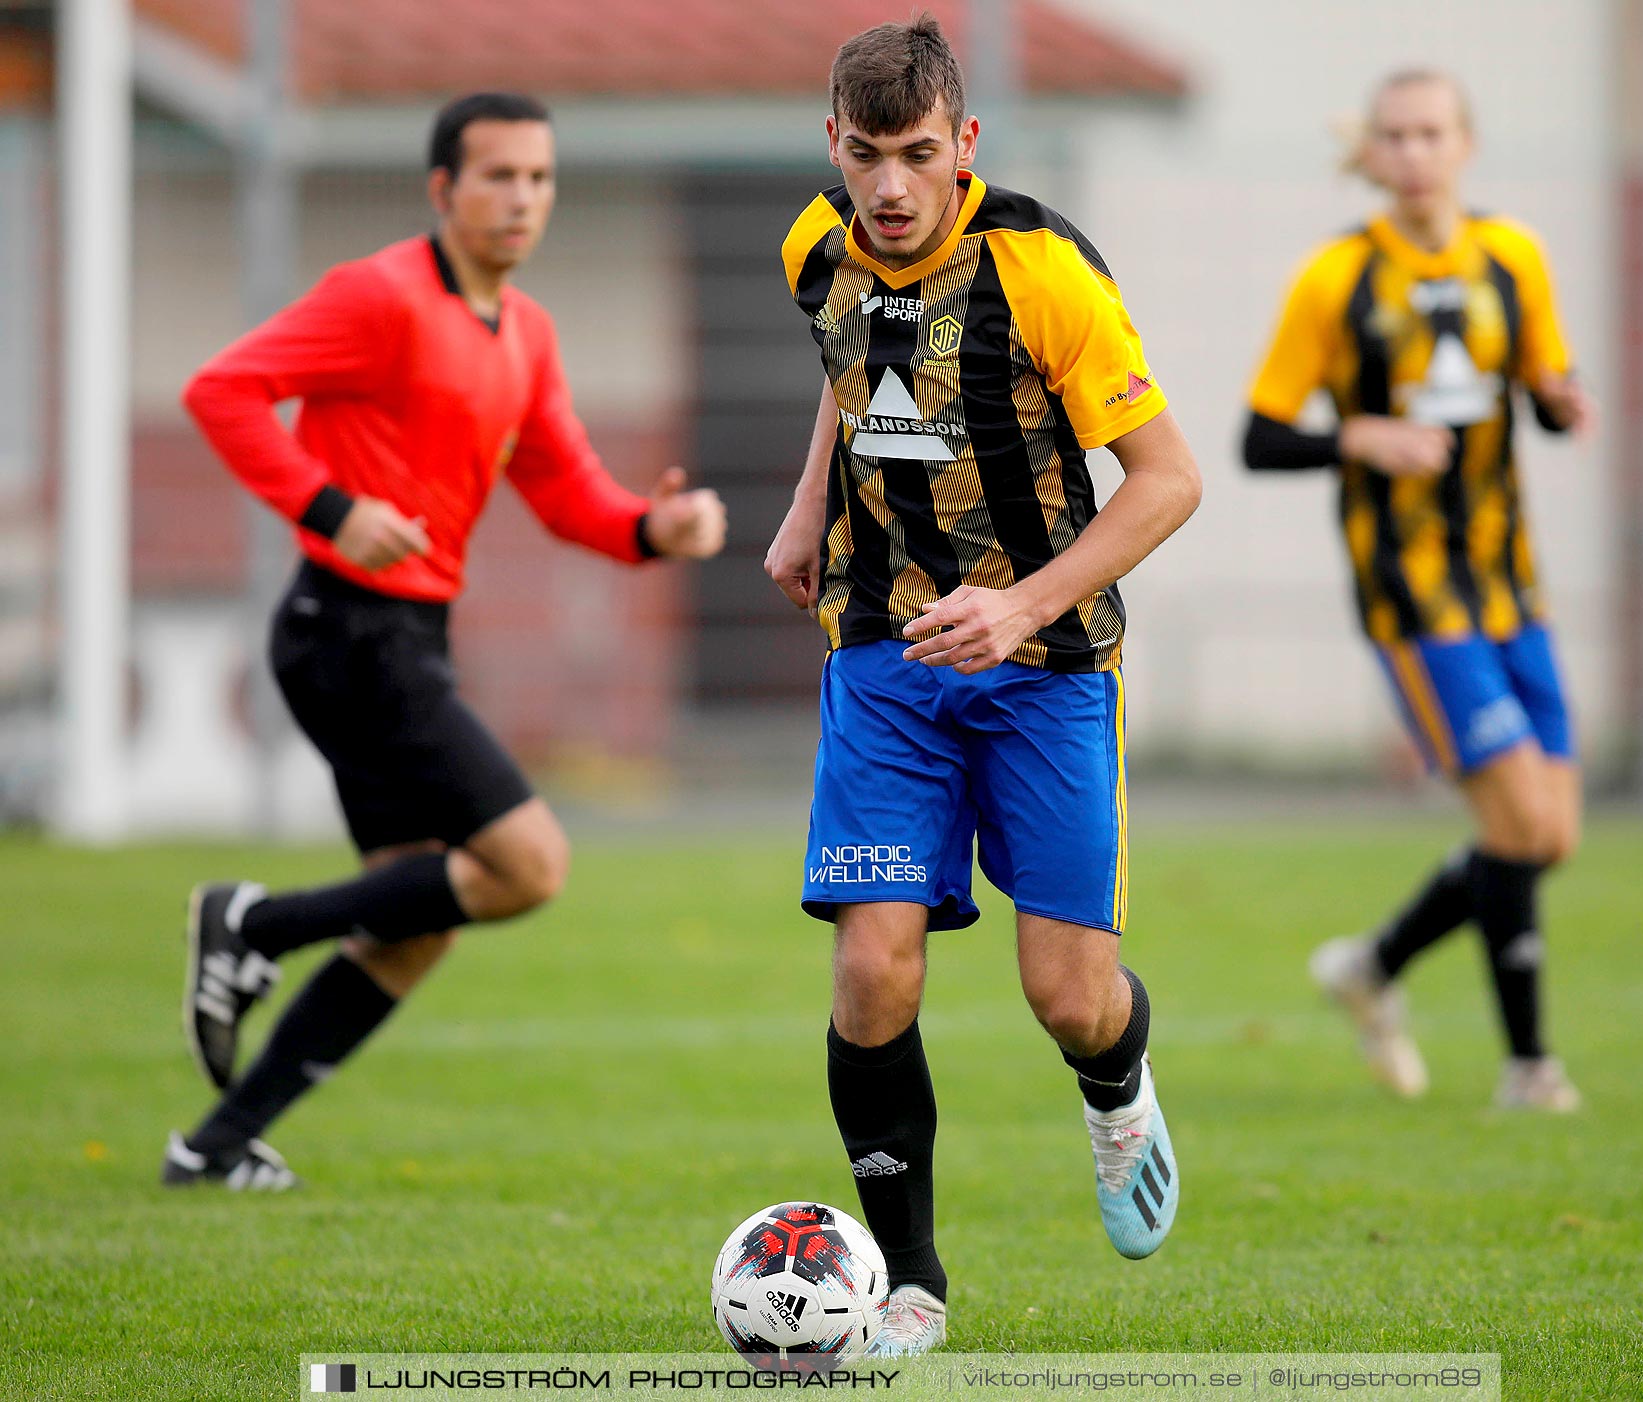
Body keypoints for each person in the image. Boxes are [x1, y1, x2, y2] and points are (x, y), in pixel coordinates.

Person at [165, 91, 727, 1191]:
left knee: (417, 923)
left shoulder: (525, 333)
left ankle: (215, 1145)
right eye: (499, 176)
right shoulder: (378, 295)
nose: (523, 198)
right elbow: (220, 391)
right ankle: (254, 923)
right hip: (347, 634)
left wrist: (655, 529)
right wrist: (332, 510)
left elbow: (569, 494)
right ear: (443, 189)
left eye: (540, 178)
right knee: (527, 864)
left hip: (406, 638)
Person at [764, 17, 1202, 1355]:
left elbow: (1171, 479)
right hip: (886, 657)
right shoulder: (813, 248)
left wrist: (1020, 603)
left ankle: (1118, 1081)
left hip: (1048, 668)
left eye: (913, 155)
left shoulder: (1046, 277)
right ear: (831, 146)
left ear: (964, 147)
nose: (887, 187)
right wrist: (801, 517)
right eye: (862, 155)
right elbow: (855, 373)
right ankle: (908, 1281)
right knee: (871, 969)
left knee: (1069, 993)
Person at [1242, 69, 1596, 1113]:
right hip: (1410, 592)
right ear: (1375, 153)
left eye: (1431, 133)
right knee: (1523, 821)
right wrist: (1359, 434)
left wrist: (1565, 403)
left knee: (1549, 834)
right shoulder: (1336, 279)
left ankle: (1374, 964)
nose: (1413, 153)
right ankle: (1532, 1068)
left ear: (1465, 144)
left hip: (1508, 579)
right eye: (1394, 136)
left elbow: (1545, 392)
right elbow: (1260, 436)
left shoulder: (1513, 255)